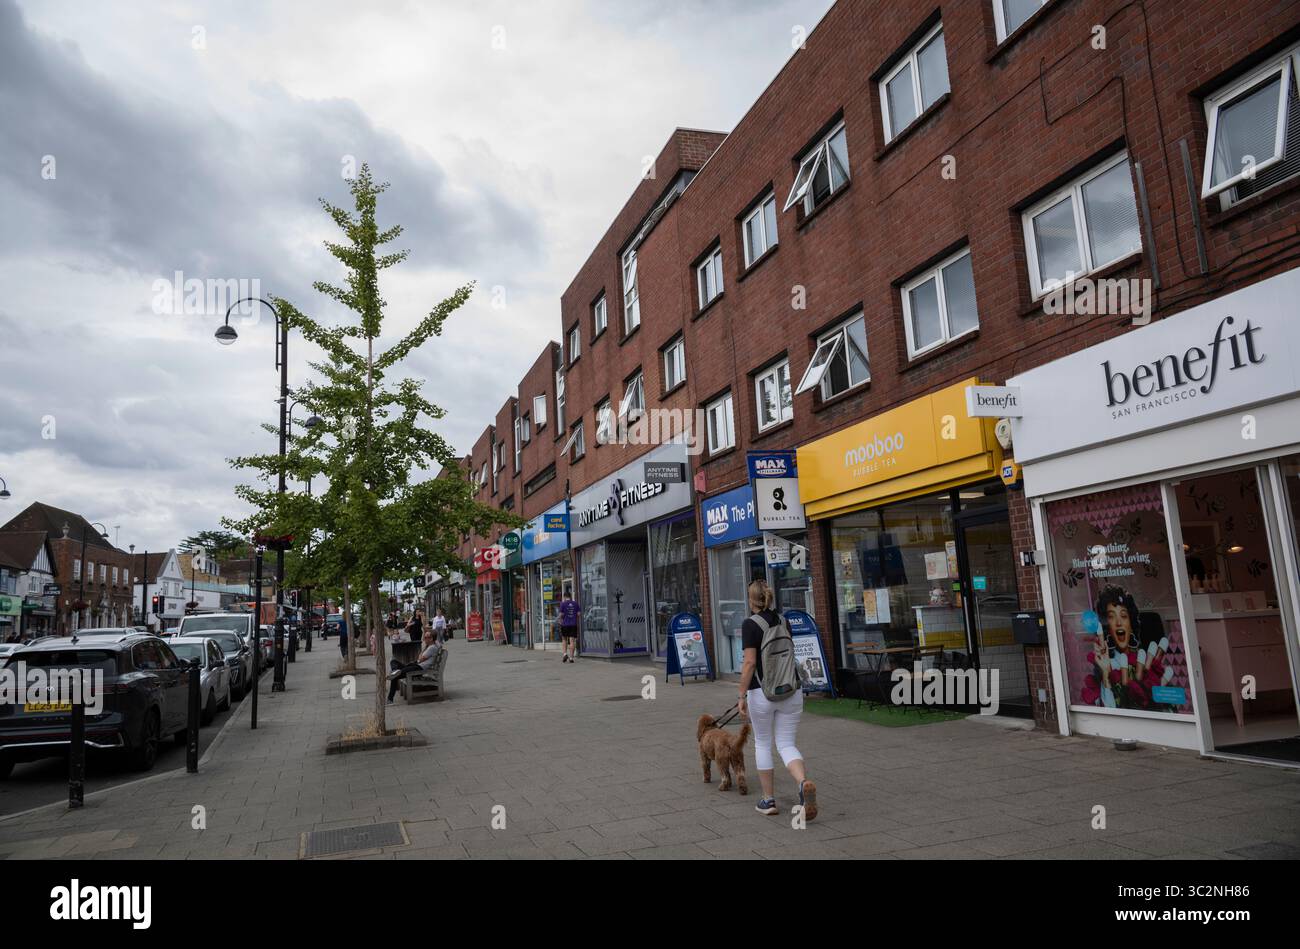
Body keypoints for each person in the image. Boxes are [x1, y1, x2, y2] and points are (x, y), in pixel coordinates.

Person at [738, 579, 816, 820]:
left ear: (751, 600)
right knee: (786, 743)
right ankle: (802, 783)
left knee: (762, 742)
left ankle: (768, 800)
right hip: (790, 691)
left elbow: (750, 663)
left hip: (761, 693)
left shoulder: (750, 625)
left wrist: (741, 694)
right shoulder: (785, 621)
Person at [387, 631, 442, 703]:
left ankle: (390, 699)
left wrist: (420, 656)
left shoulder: (432, 648)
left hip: (419, 668)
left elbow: (421, 659)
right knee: (393, 661)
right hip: (416, 665)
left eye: (425, 637)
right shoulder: (429, 646)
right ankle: (395, 671)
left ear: (431, 639)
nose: (424, 639)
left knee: (394, 676)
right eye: (424, 637)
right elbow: (420, 657)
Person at [557, 587, 580, 663]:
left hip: (565, 625)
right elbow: (579, 614)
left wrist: (559, 620)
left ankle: (564, 654)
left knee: (564, 640)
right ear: (570, 597)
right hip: (573, 624)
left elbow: (561, 615)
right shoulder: (575, 604)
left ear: (564, 597)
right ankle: (571, 658)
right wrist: (574, 617)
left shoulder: (563, 604)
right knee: (572, 641)